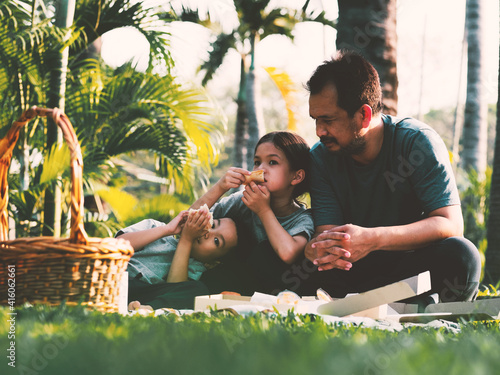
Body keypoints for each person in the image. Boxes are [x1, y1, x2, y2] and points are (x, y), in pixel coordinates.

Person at [302, 50, 481, 305]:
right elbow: (329, 238)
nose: (319, 131)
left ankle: (396, 303)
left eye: (328, 120)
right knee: (298, 263)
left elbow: (450, 224)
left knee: (462, 255)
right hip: (354, 273)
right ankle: (393, 304)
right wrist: (318, 250)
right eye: (316, 120)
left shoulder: (417, 142)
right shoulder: (320, 157)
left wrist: (374, 239)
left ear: (363, 115)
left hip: (410, 268)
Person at [196, 131, 315, 295]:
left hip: (277, 289)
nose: (261, 169)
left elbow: (288, 254)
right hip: (235, 282)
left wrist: (263, 210)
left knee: (265, 252)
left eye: (272, 162)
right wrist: (220, 188)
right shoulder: (241, 201)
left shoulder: (302, 219)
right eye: (257, 162)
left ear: (296, 176)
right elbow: (189, 219)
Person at [116, 206, 239, 310]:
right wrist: (167, 229)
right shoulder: (156, 227)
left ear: (212, 263)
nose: (208, 232)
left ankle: (147, 309)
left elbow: (174, 288)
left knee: (198, 290)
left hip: (142, 297)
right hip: (115, 280)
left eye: (216, 241)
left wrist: (186, 239)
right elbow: (116, 245)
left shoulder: (194, 270)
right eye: (212, 225)